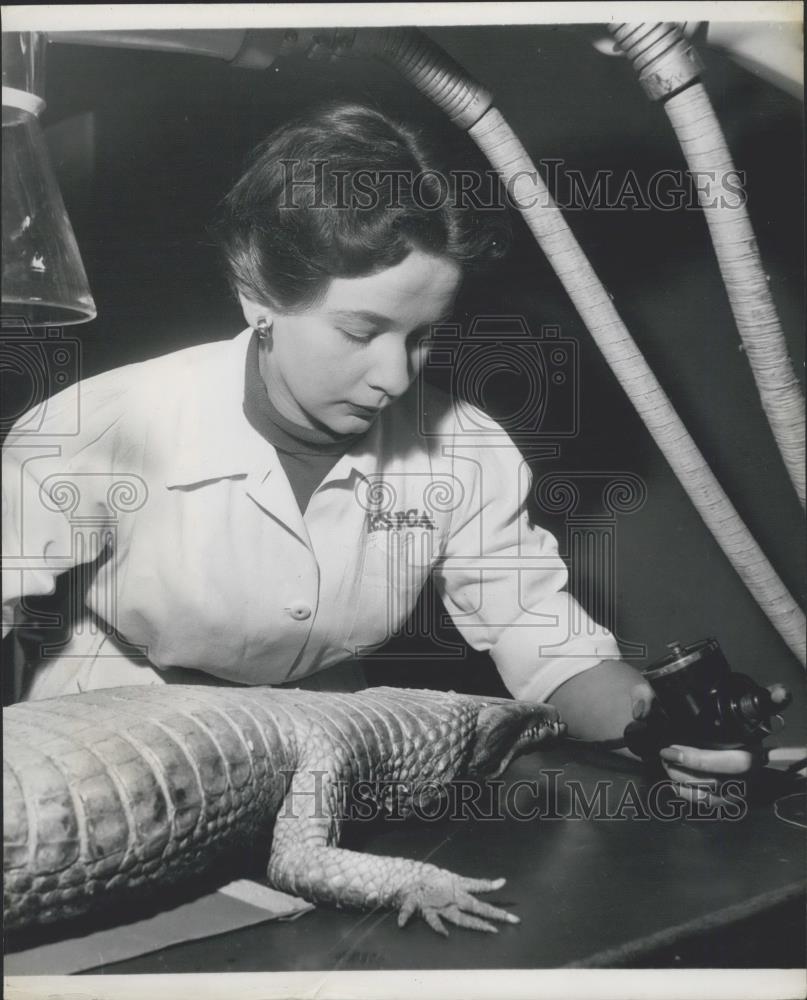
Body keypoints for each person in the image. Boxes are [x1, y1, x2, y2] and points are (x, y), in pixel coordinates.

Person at [2, 101, 758, 801]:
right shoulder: (98, 427)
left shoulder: (462, 452)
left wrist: (661, 726)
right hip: (102, 761)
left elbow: (542, 639)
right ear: (257, 294)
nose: (395, 377)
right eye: (360, 332)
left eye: (423, 336)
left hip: (324, 762)